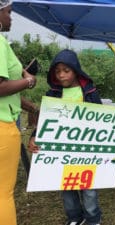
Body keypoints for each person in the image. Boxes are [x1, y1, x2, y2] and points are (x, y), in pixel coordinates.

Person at [28, 49, 102, 225]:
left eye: (66, 71)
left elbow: (102, 120)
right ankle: (75, 218)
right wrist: (34, 136)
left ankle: (93, 219)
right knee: (67, 185)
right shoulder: (53, 93)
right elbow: (45, 120)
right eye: (57, 71)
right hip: (62, 150)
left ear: (75, 70)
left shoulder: (90, 92)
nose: (61, 75)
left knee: (88, 187)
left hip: (86, 149)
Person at [0, 1, 37, 224]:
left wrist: (31, 107)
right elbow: (1, 87)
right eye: (9, 12)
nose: (11, 18)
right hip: (3, 127)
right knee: (3, 193)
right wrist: (28, 80)